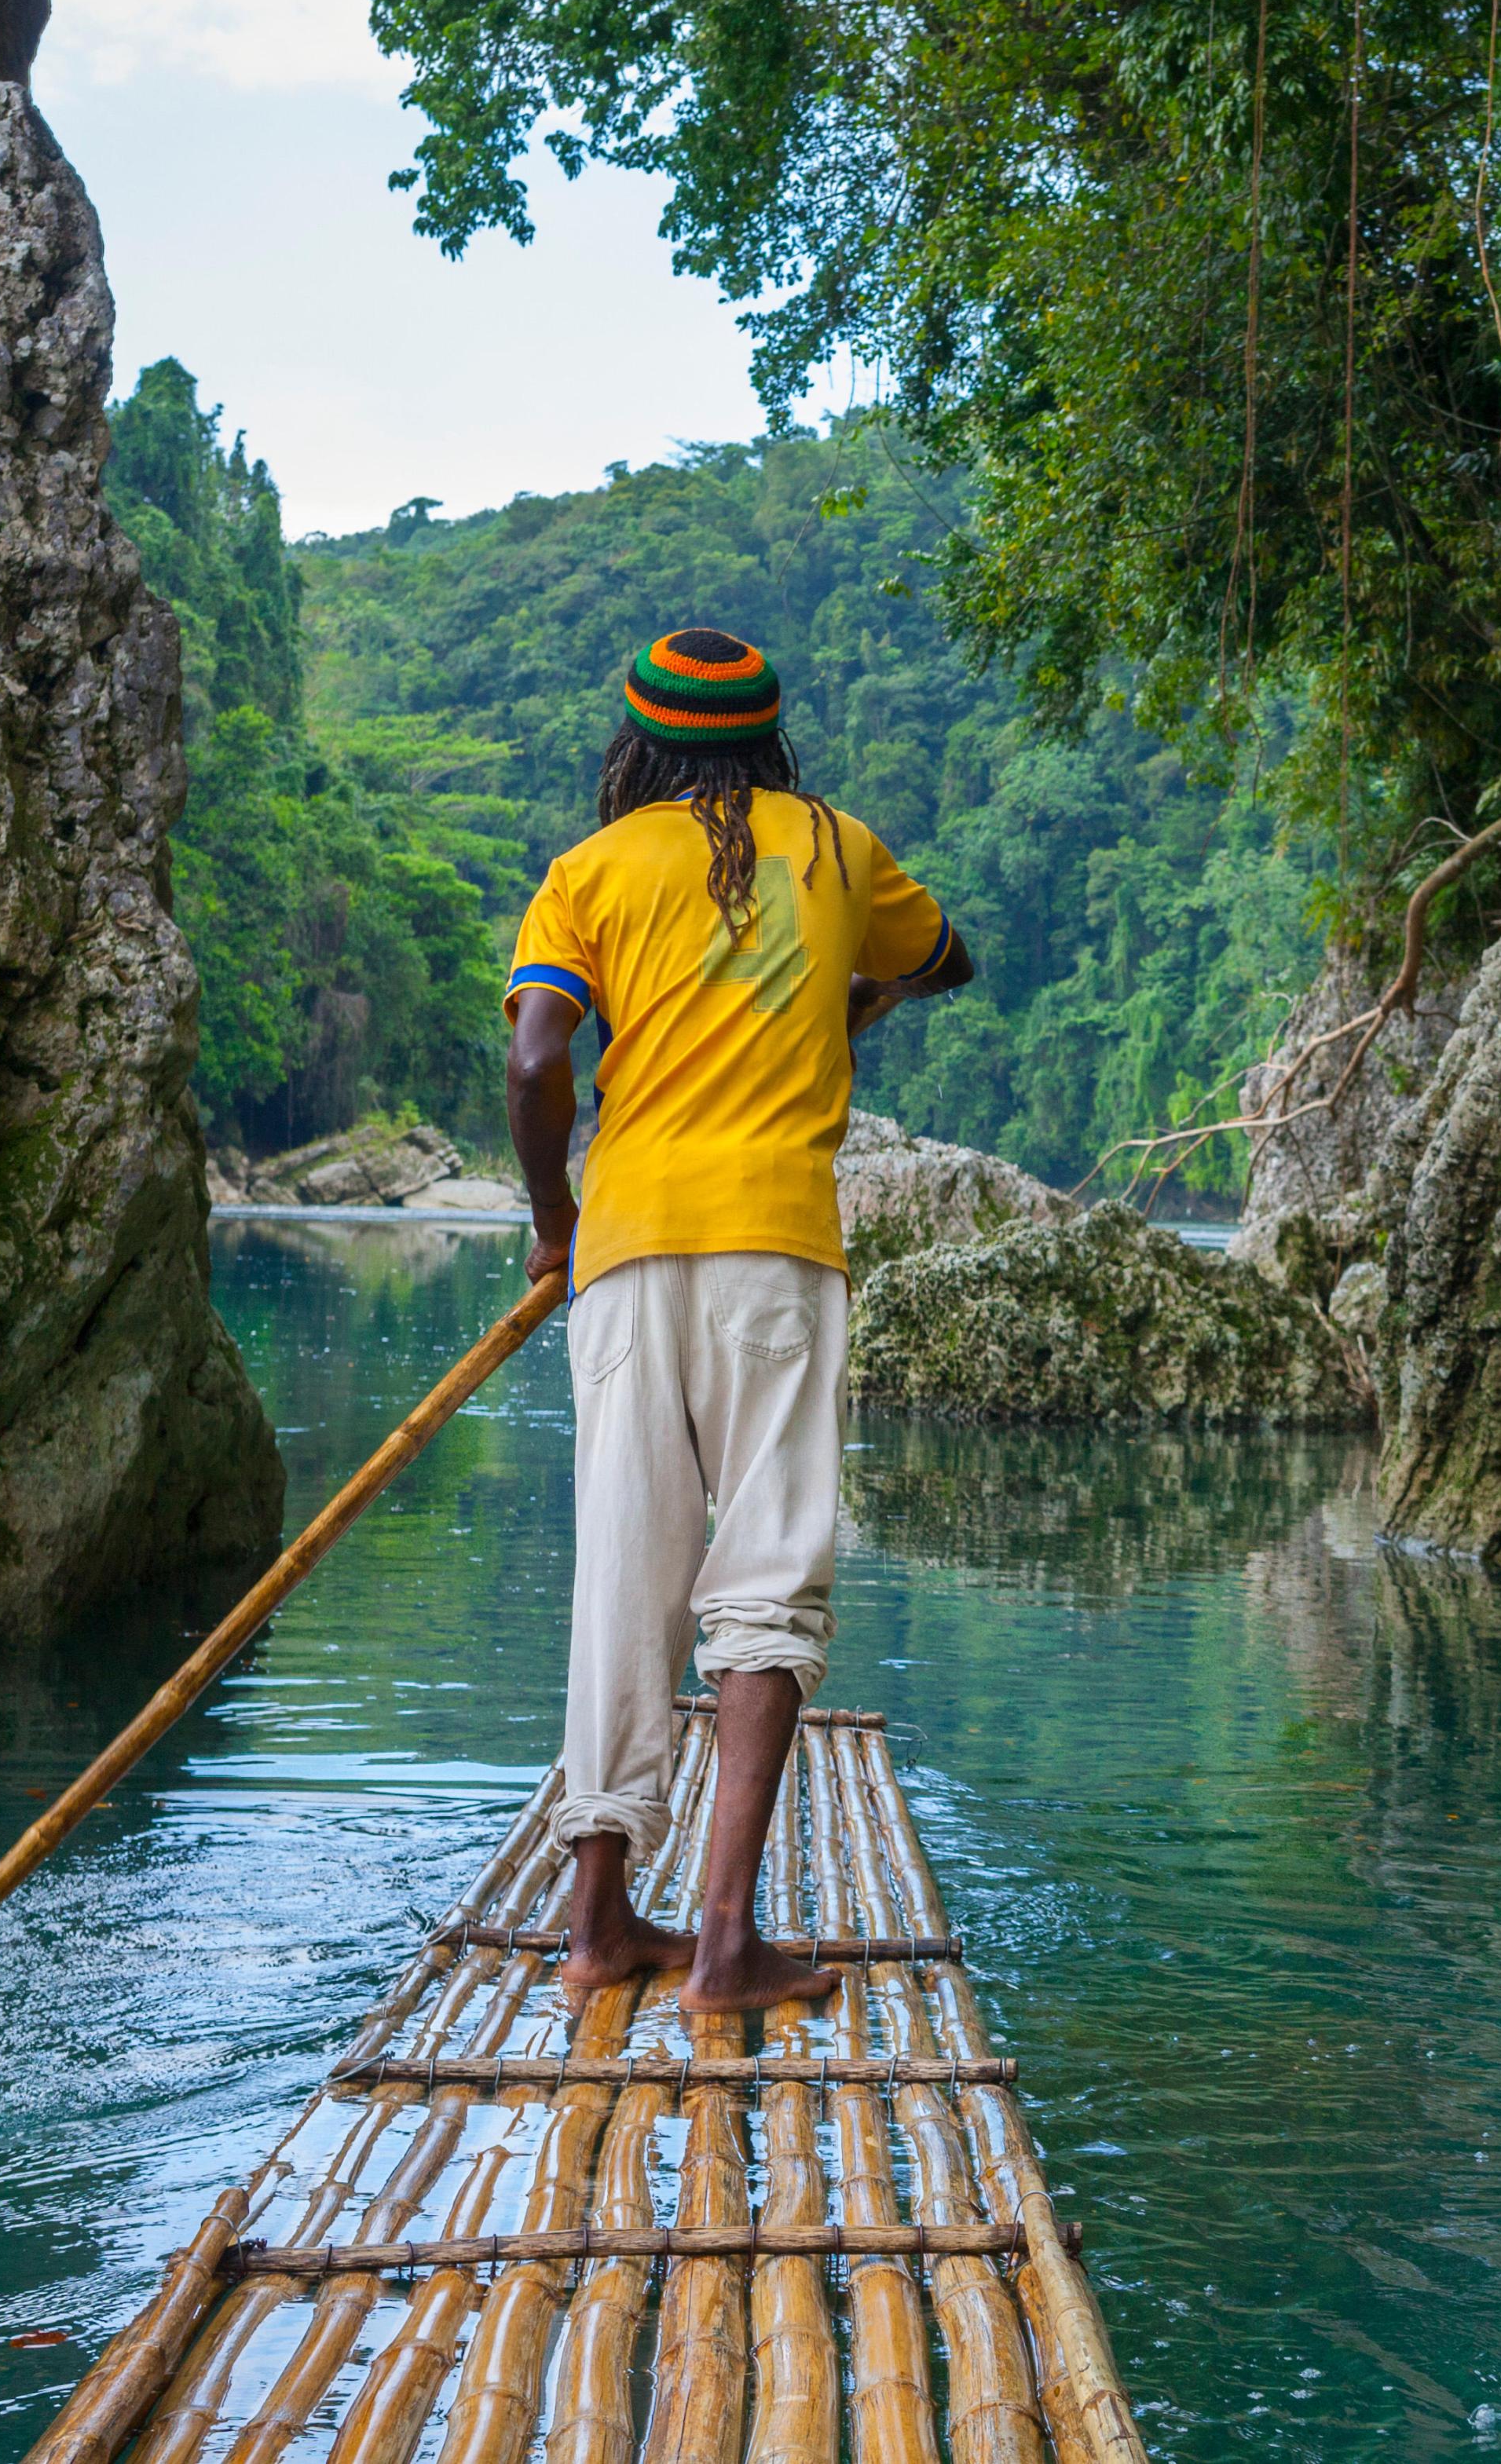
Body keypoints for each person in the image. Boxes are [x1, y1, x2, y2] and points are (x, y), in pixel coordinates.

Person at [501, 628, 974, 2009]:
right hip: (778, 1248)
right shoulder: (838, 848)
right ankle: (721, 1943)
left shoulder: (591, 872)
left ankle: (597, 1925)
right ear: (770, 739)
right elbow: (949, 957)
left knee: (624, 1579)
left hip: (631, 1249)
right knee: (768, 1582)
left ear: (636, 743)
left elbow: (538, 1057)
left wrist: (552, 1221)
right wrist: (847, 996)